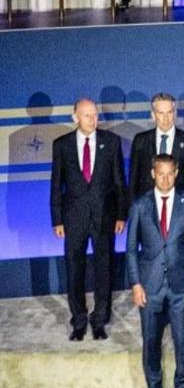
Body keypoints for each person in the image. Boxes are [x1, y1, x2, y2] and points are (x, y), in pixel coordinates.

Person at [125, 154, 184, 388]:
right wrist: (136, 283)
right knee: (151, 342)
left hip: (181, 287)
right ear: (152, 174)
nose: (166, 178)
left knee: (183, 343)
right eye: (161, 173)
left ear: (177, 172)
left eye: (170, 173)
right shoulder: (139, 205)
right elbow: (131, 251)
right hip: (149, 287)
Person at [50, 96, 128, 341]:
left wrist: (121, 214)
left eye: (95, 115)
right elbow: (56, 184)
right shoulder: (61, 145)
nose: (93, 119)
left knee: (104, 269)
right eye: (87, 115)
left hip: (104, 216)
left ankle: (100, 319)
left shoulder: (111, 142)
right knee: (75, 268)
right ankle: (79, 320)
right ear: (75, 117)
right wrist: (57, 219)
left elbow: (118, 182)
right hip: (73, 218)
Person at [128, 93, 184, 200]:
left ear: (175, 114)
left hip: (179, 206)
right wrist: (133, 210)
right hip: (147, 206)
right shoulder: (140, 141)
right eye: (161, 113)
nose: (166, 118)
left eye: (169, 112)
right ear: (153, 115)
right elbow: (133, 179)